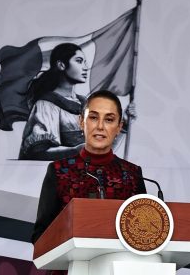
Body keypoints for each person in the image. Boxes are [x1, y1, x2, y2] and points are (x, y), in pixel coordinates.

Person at [31, 91, 147, 272]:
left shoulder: (132, 174)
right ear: (81, 122)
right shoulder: (59, 171)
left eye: (109, 120)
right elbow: (40, 237)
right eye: (93, 117)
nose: (100, 126)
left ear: (119, 127)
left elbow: (145, 233)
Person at [18, 43, 135, 161]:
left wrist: (124, 124)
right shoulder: (46, 105)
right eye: (79, 61)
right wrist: (77, 151)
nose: (85, 67)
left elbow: (102, 152)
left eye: (85, 62)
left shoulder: (85, 104)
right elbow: (39, 153)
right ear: (61, 65)